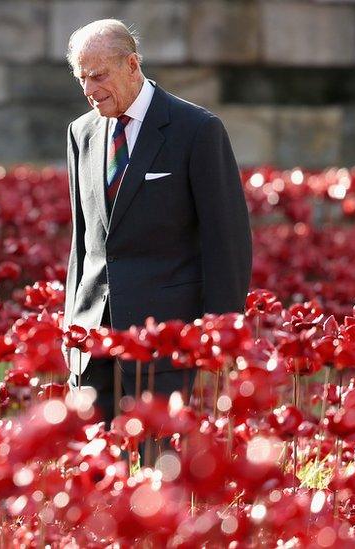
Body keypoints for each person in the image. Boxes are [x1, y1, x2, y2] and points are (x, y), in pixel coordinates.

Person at [61, 20, 253, 424]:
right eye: (82, 79)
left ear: (132, 64)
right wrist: (71, 329)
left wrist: (218, 337)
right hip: (92, 339)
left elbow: (228, 242)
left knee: (158, 470)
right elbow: (82, 243)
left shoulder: (197, 130)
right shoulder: (81, 132)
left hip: (167, 342)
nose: (90, 90)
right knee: (91, 473)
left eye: (99, 76)